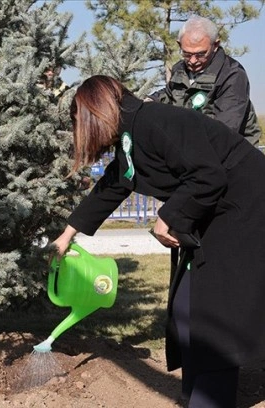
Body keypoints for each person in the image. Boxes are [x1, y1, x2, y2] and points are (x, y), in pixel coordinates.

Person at [52, 75, 265, 407]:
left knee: (213, 317)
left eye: (79, 121)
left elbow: (208, 175)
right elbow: (114, 184)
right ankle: (196, 397)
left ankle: (210, 399)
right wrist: (67, 234)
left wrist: (169, 216)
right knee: (185, 309)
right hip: (217, 211)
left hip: (245, 211)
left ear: (92, 113)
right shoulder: (130, 135)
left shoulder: (155, 121)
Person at [147, 15, 262, 145]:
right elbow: (169, 93)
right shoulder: (179, 69)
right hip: (190, 147)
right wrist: (149, 101)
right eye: (187, 54)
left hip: (230, 153)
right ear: (179, 44)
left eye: (201, 54)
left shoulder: (232, 75)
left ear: (216, 45)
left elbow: (225, 131)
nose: (193, 61)